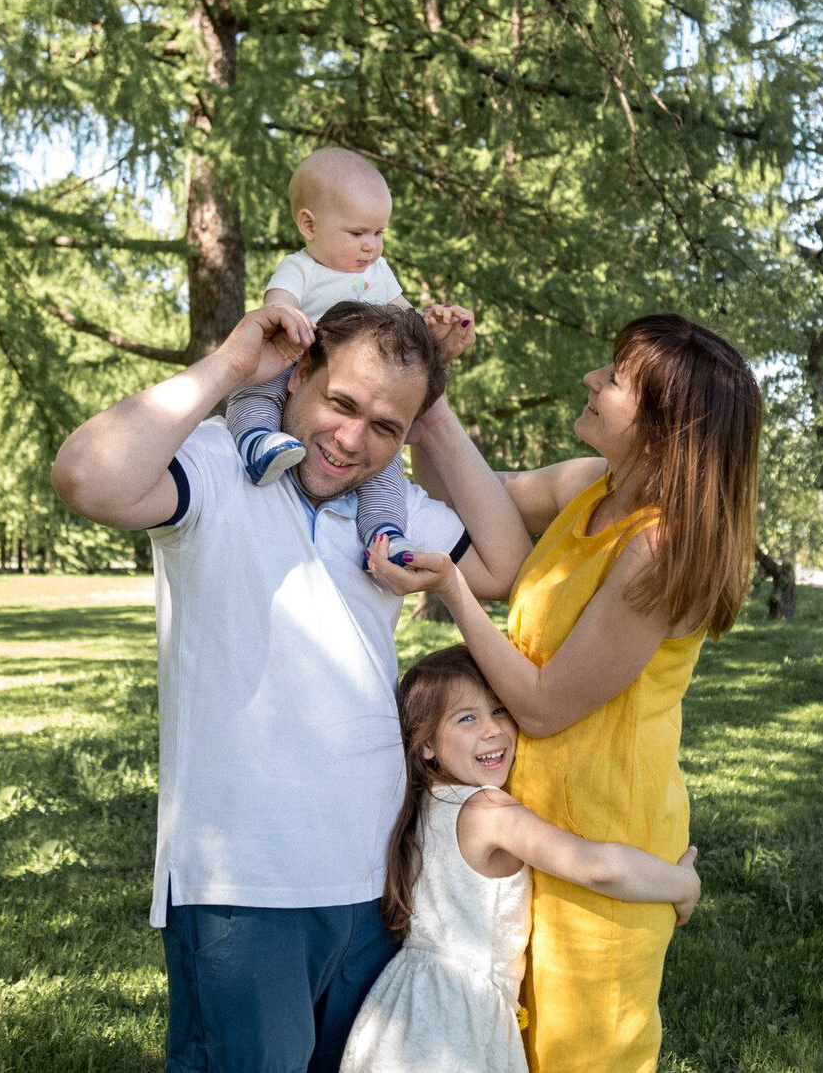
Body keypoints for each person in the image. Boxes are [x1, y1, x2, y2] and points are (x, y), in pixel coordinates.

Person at [51, 300, 531, 1073]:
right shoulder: (212, 465)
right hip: (244, 885)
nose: (352, 440)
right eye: (342, 403)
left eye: (385, 426)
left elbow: (505, 565)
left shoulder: (392, 512)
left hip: (375, 881)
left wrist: (432, 416)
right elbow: (84, 476)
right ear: (298, 374)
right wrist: (233, 366)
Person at [368, 312, 763, 1072]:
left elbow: (546, 704)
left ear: (662, 430)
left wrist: (454, 590)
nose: (591, 378)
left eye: (614, 379)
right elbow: (468, 493)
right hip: (530, 829)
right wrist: (433, 386)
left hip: (603, 843)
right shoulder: (593, 485)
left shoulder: (660, 546)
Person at [339, 645, 701, 1073]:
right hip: (457, 1022)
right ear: (426, 745)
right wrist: (683, 885)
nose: (492, 729)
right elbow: (597, 867)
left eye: (499, 709)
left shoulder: (424, 803)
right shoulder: (489, 811)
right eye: (467, 718)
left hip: (404, 1010)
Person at [227, 145, 473, 564]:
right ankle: (257, 441)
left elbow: (403, 320)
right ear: (309, 224)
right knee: (254, 392)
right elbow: (279, 306)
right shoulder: (299, 268)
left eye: (378, 234)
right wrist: (288, 316)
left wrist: (432, 329)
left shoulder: (378, 273)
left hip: (355, 387)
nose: (370, 248)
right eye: (357, 234)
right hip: (295, 360)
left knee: (385, 464)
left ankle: (385, 532)